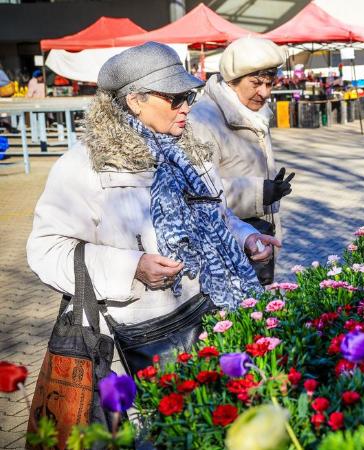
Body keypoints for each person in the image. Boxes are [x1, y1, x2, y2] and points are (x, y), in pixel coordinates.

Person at [27, 42, 277, 367]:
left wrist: (244, 236)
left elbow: (215, 213)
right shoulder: (86, 165)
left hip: (210, 312)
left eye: (188, 96)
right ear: (135, 101)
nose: (185, 107)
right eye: (174, 99)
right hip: (138, 338)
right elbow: (46, 250)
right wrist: (132, 267)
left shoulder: (190, 151)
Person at [189, 37, 293, 286]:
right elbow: (198, 192)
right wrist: (258, 192)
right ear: (232, 80)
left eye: (270, 83)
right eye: (256, 83)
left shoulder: (254, 112)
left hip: (259, 241)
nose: (265, 92)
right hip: (226, 251)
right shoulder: (203, 120)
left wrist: (270, 191)